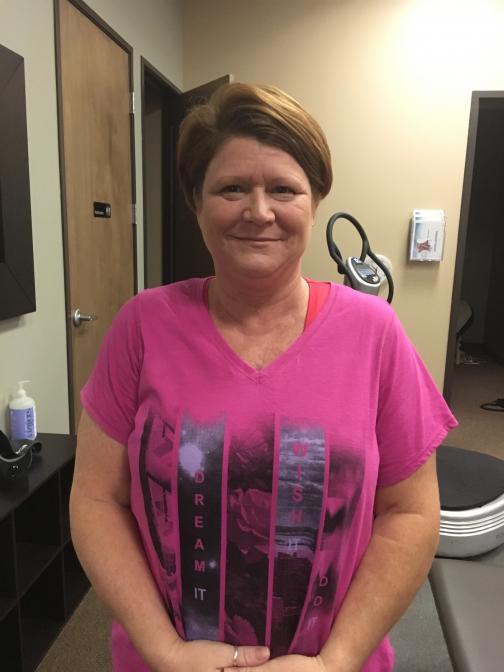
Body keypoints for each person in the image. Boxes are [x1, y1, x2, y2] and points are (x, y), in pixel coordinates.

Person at [70, 82, 457, 672]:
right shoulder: (142, 326)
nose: (258, 211)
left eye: (283, 189)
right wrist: (164, 650)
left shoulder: (374, 333)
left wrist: (333, 662)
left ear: (315, 200)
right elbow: (97, 499)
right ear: (196, 201)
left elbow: (411, 514)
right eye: (231, 188)